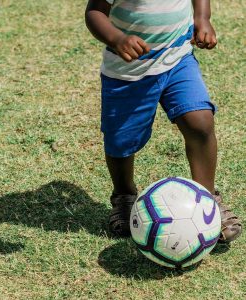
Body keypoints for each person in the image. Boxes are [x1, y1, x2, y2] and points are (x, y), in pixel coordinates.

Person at [85, 0, 242, 243]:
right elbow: (95, 12)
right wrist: (117, 39)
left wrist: (202, 18)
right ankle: (125, 195)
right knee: (121, 141)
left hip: (177, 59)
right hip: (128, 73)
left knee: (200, 122)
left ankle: (207, 202)